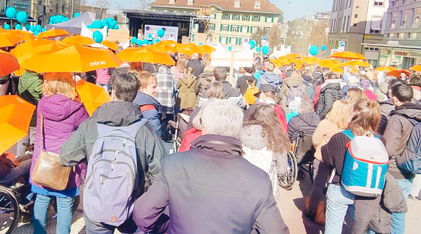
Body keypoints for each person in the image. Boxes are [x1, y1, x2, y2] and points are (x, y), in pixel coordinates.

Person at [132, 98, 289, 234]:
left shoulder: (175, 163)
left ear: (204, 128)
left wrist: (169, 227)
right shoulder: (258, 178)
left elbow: (143, 214)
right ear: (238, 131)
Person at [60, 73, 167, 234]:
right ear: (135, 94)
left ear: (112, 92)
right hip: (133, 204)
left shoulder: (90, 125)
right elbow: (161, 172)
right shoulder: (146, 130)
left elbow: (66, 156)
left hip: (97, 203)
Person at [30, 72, 89, 234]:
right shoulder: (77, 108)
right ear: (70, 85)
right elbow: (87, 131)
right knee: (64, 203)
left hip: (43, 161)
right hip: (66, 163)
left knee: (42, 200)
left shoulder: (42, 103)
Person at [321, 99, 382, 234]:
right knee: (360, 228)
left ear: (353, 114)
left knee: (333, 229)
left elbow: (328, 160)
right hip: (368, 191)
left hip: (341, 187)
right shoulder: (379, 140)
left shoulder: (340, 137)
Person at [382, 83, 421, 234]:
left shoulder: (397, 118)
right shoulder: (418, 115)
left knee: (387, 211)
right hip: (410, 168)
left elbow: (389, 149)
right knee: (400, 209)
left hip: (394, 170)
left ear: (396, 99)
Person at [307, 100, 352, 220]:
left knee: (318, 186)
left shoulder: (326, 123)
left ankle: (312, 210)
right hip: (340, 160)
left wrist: (319, 148)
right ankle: (329, 212)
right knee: (333, 187)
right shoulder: (348, 127)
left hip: (322, 157)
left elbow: (316, 140)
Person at [241, 105, 291, 201]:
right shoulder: (277, 138)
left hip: (244, 183)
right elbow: (282, 169)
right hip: (267, 186)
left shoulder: (241, 132)